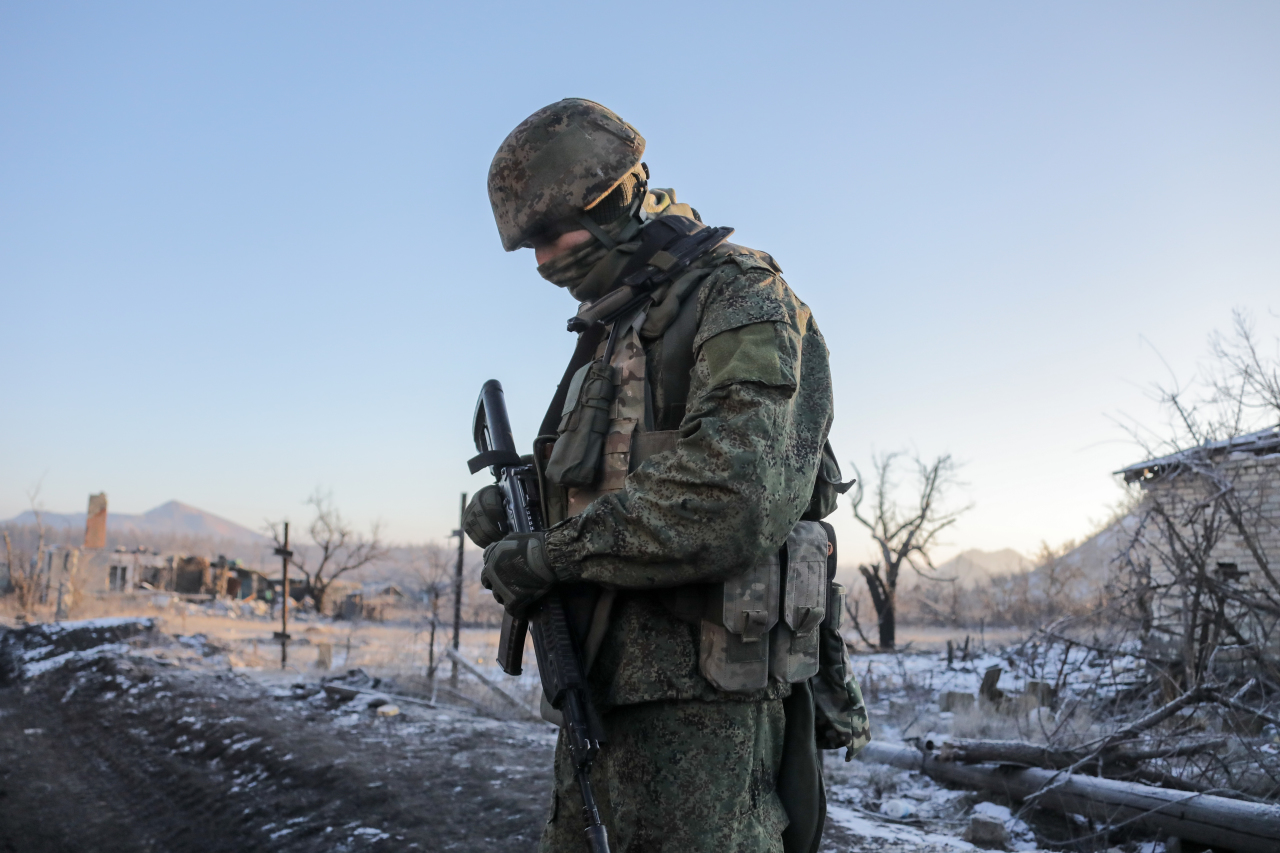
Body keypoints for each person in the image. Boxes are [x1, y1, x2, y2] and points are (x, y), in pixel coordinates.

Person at [467, 99, 868, 853]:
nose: (547, 262)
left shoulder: (741, 296)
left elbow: (733, 494)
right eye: (531, 249)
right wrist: (518, 511)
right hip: (602, 690)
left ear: (618, 197)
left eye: (555, 234)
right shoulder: (616, 321)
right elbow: (608, 479)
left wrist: (551, 555)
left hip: (707, 713)